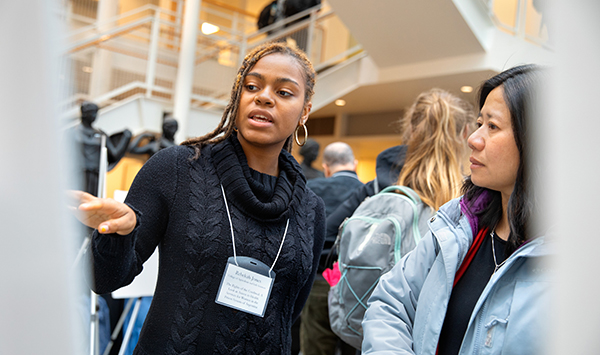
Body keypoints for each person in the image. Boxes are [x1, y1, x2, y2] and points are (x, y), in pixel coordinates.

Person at [70, 41, 326, 355]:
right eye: (251, 86)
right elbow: (103, 279)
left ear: (305, 110)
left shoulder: (311, 209)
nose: (263, 97)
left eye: (284, 92)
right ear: (238, 96)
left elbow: (289, 312)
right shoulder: (178, 169)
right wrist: (118, 235)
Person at [362, 65, 550, 355]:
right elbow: (391, 302)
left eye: (493, 126)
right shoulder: (460, 223)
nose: (473, 139)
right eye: (479, 123)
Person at [325, 88, 475, 253]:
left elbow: (326, 237)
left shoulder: (377, 189)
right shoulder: (472, 197)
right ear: (465, 133)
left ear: (411, 129)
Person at [301, 142, 364, 355]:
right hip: (356, 285)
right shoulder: (369, 193)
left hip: (318, 281)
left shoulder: (311, 189)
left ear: (326, 167)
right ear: (354, 164)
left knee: (315, 349)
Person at [71, 101, 132, 195]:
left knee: (91, 202)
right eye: (92, 112)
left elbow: (114, 154)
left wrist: (125, 139)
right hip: (77, 174)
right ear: (84, 113)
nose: (94, 115)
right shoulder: (73, 132)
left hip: (95, 176)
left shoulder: (101, 135)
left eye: (96, 112)